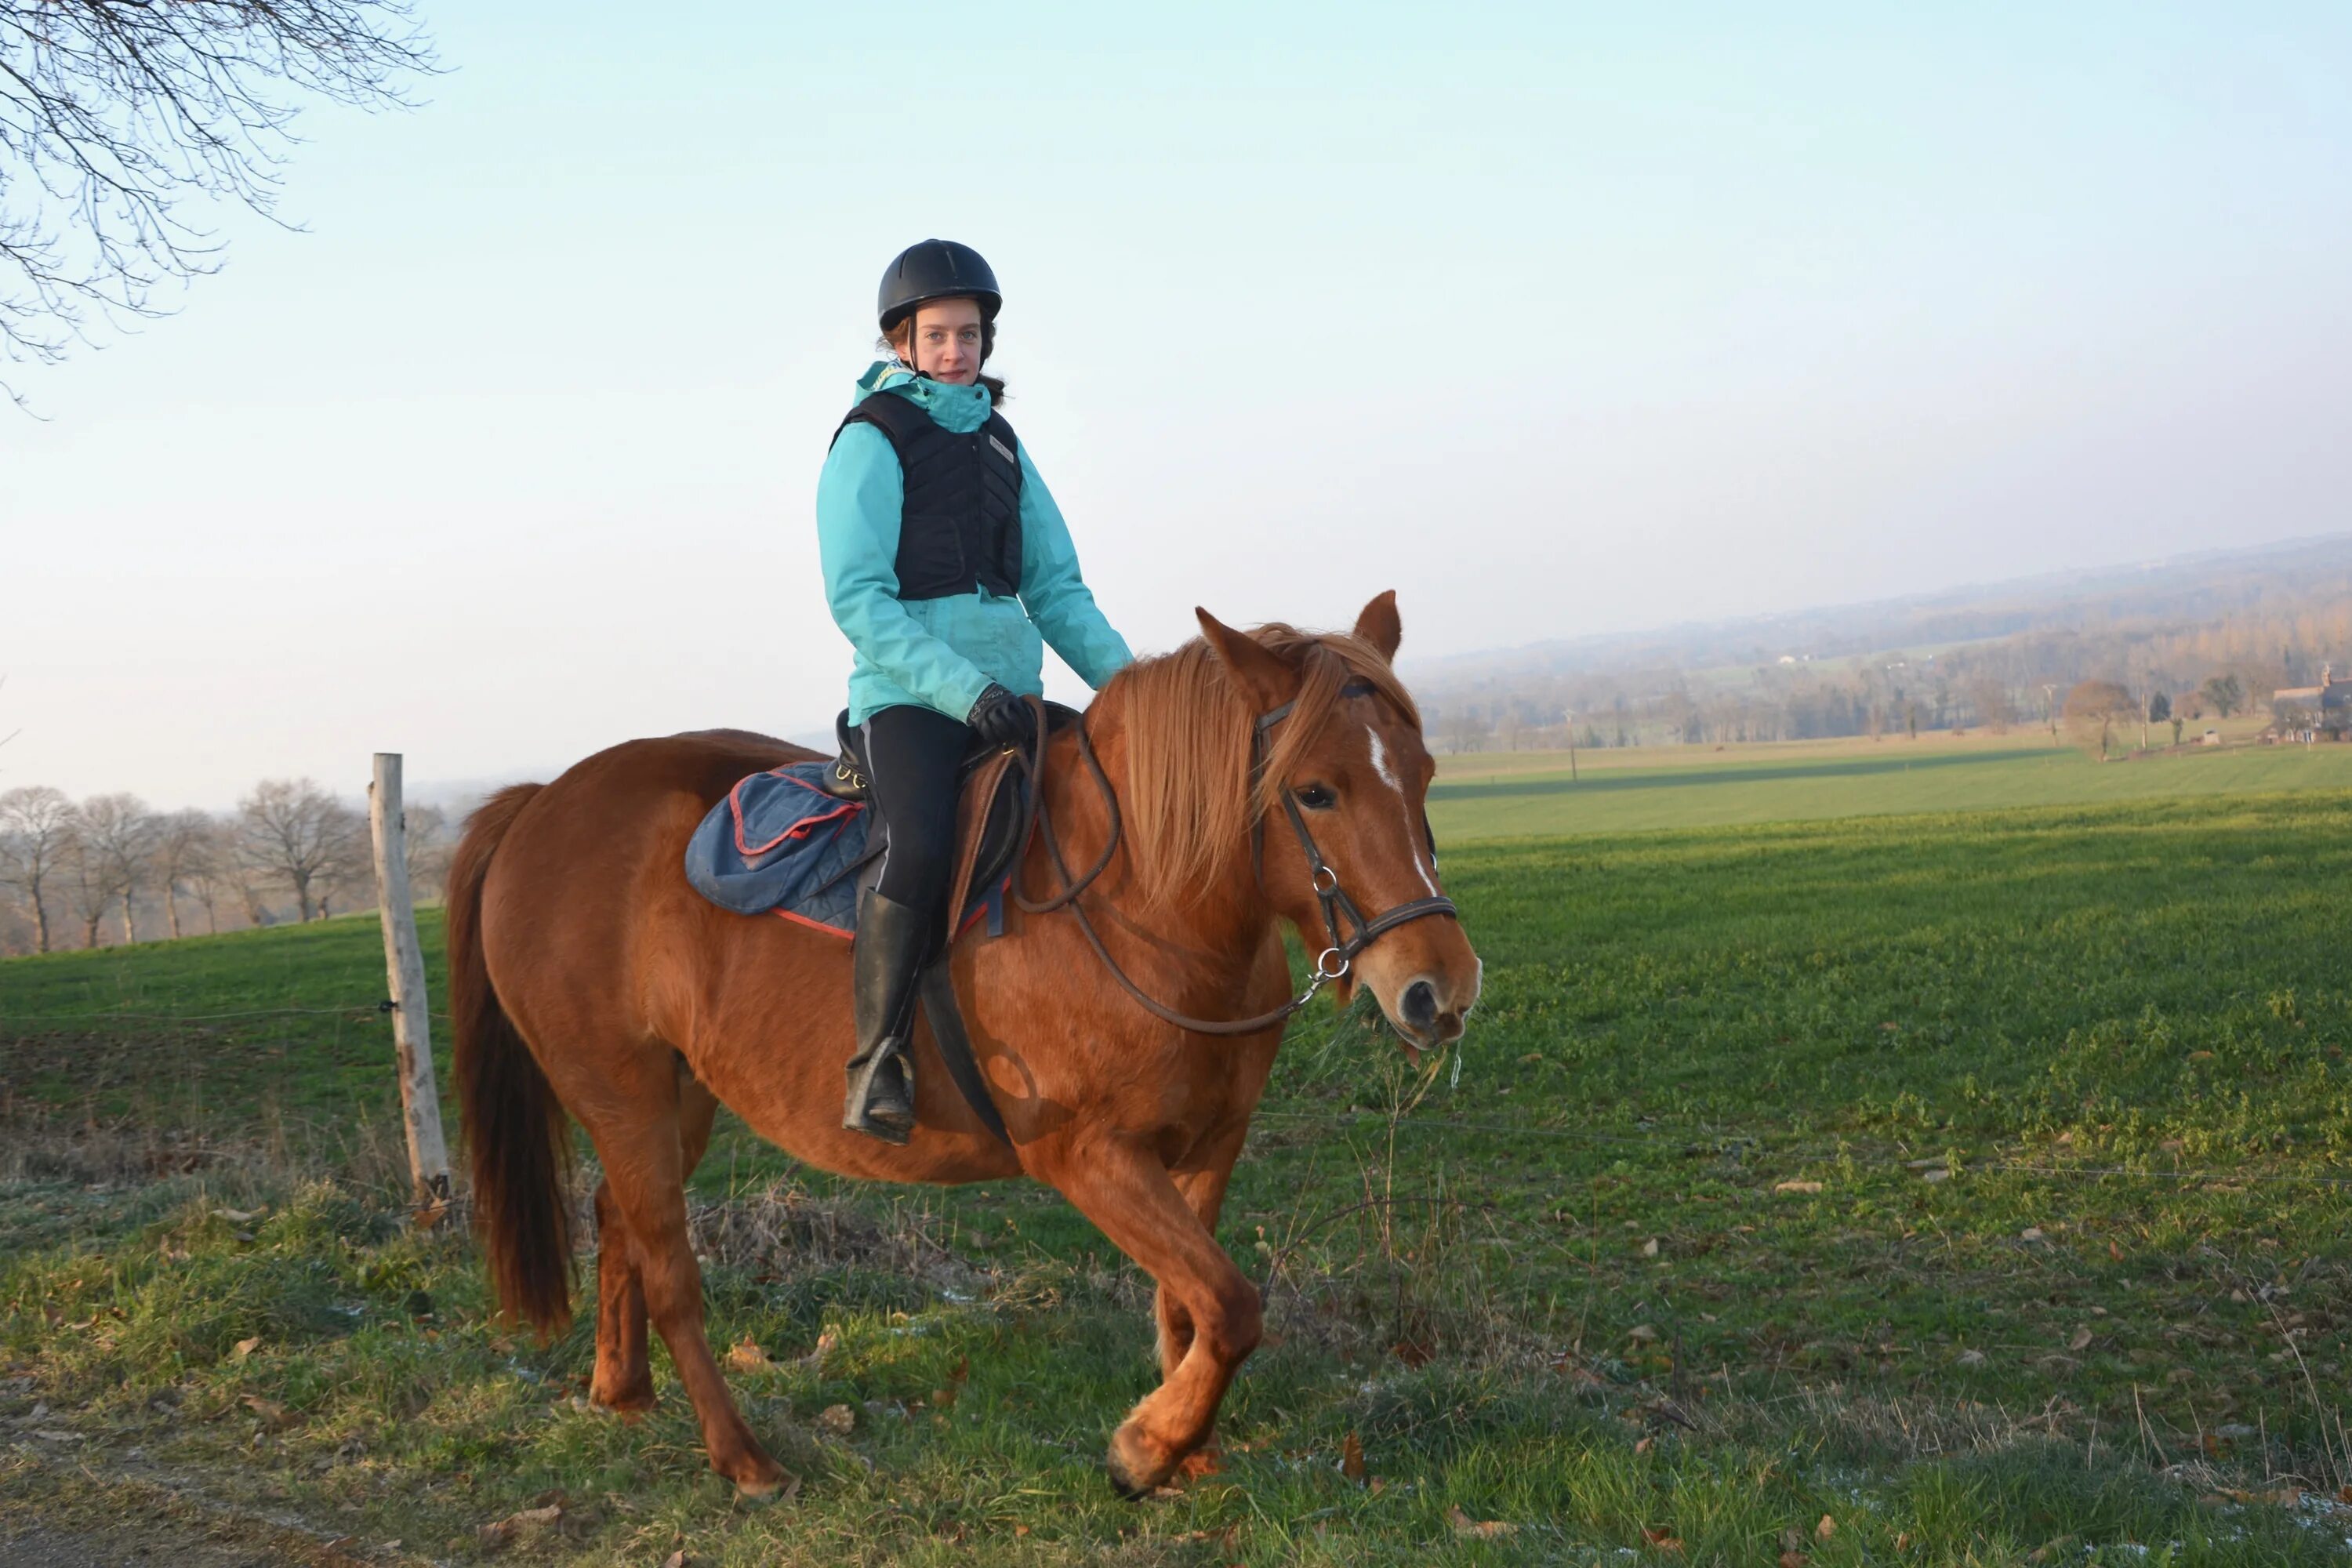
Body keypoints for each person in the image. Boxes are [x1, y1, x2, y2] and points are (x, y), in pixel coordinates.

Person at [817, 239, 1134, 1143]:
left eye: (971, 335)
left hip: (1010, 693)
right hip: (911, 699)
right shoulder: (872, 437)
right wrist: (964, 692)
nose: (957, 350)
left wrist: (1137, 692)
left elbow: (1058, 592)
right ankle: (876, 1058)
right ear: (902, 340)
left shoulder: (1002, 443)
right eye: (939, 334)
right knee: (918, 844)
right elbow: (858, 598)